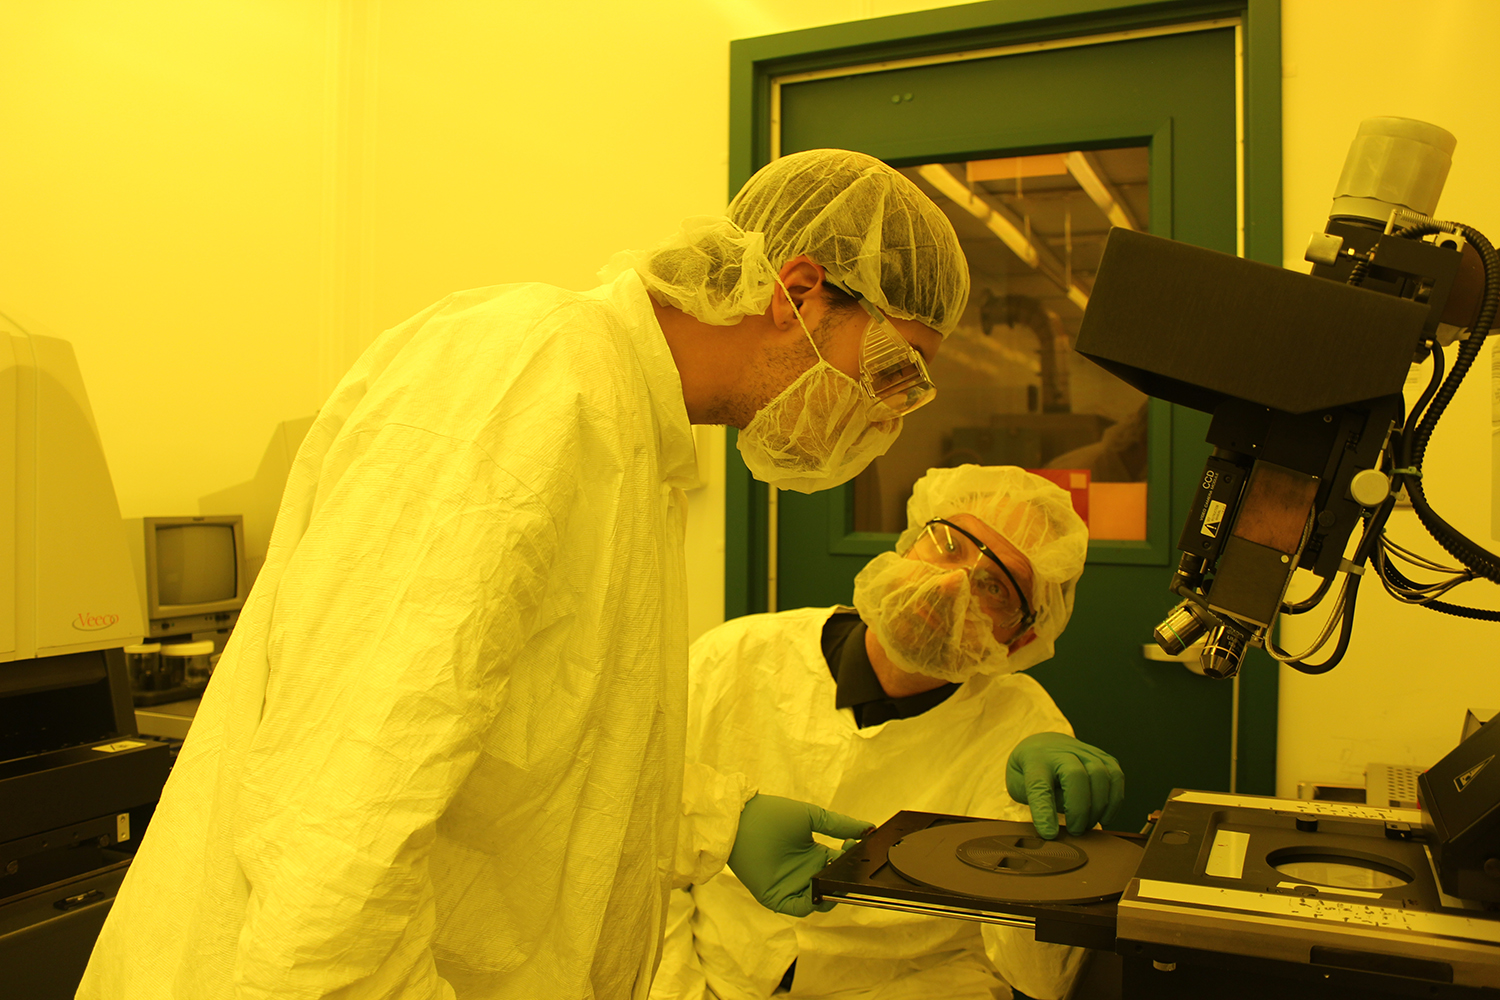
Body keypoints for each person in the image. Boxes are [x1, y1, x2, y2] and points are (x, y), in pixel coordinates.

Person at [77, 150, 969, 1000]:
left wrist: (712, 818)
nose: (887, 414)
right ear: (798, 291)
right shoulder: (529, 376)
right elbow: (337, 822)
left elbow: (548, 727)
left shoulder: (635, 433)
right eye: (894, 371)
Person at [649, 465, 1122, 1000]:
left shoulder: (1027, 732)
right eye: (949, 545)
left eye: (994, 585)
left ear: (1020, 639)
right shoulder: (732, 659)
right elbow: (645, 859)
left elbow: (1038, 976)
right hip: (711, 979)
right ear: (908, 542)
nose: (951, 585)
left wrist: (1049, 837)